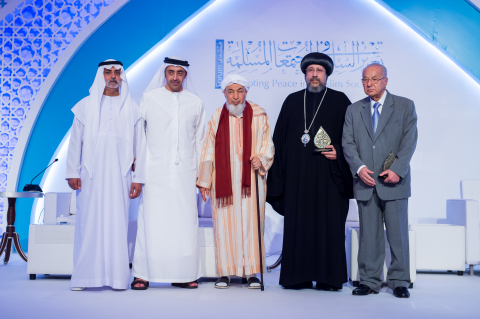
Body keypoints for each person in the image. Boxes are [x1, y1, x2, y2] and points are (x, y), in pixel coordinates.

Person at [266, 52, 353, 290]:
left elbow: (352, 140)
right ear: (305, 74)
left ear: (327, 74)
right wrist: (279, 178)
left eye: (319, 71)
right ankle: (298, 277)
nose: (314, 75)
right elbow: (278, 142)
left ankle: (328, 278)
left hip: (329, 178)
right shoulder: (292, 101)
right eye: (310, 70)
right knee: (299, 226)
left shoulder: (340, 101)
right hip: (298, 179)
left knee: (329, 226)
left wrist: (339, 154)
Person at [66, 59, 145, 291]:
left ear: (122, 76)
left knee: (117, 223)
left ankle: (117, 278)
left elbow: (140, 147)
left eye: (117, 72)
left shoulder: (132, 107)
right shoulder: (84, 106)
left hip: (121, 176)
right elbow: (75, 142)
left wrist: (139, 177)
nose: (113, 76)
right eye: (108, 72)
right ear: (100, 75)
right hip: (90, 174)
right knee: (87, 223)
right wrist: (72, 170)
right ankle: (84, 278)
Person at [342, 63, 417, 298]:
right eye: (365, 80)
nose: (369, 84)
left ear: (385, 81)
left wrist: (398, 169)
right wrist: (359, 167)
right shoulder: (353, 110)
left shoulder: (404, 106)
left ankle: (399, 280)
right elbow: (348, 143)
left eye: (374, 79)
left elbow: (409, 141)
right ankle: (369, 280)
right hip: (366, 182)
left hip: (394, 181)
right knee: (369, 235)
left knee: (398, 234)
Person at [132, 57, 205, 289]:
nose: (175, 77)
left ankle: (183, 275)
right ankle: (142, 274)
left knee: (184, 224)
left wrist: (203, 177)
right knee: (150, 222)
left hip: (185, 173)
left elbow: (201, 142)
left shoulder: (195, 102)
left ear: (185, 76)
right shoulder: (149, 99)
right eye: (171, 72)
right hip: (154, 172)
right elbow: (138, 138)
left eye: (180, 73)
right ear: (165, 73)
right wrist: (138, 173)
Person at [197, 74, 274, 289]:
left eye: (240, 91)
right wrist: (204, 181)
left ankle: (251, 273)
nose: (236, 97)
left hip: (251, 178)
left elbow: (268, 144)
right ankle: (225, 273)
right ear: (224, 94)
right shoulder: (217, 117)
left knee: (251, 224)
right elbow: (207, 150)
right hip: (224, 181)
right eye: (231, 92)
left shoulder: (259, 114)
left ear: (246, 93)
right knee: (224, 224)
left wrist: (262, 158)